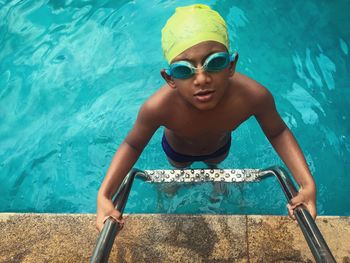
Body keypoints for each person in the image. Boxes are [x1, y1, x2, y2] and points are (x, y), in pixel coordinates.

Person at [95, 4, 316, 231]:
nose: (201, 79)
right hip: (178, 151)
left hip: (219, 148)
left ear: (231, 65)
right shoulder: (158, 107)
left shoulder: (252, 96)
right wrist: (104, 194)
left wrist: (307, 184)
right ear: (169, 78)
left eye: (215, 62)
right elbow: (132, 144)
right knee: (179, 172)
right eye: (183, 70)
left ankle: (213, 172)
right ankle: (181, 177)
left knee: (215, 165)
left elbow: (278, 132)